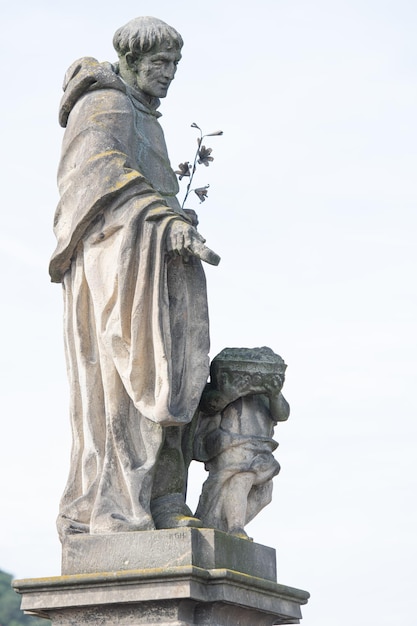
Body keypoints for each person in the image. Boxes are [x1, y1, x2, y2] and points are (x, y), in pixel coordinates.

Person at [49, 16, 219, 538]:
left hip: (154, 265)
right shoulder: (106, 104)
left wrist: (175, 216)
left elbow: (150, 188)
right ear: (130, 61)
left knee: (174, 378)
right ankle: (121, 505)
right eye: (158, 64)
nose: (168, 74)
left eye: (174, 65)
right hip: (115, 272)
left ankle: (164, 496)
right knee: (122, 388)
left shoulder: (150, 116)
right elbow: (92, 179)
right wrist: (160, 217)